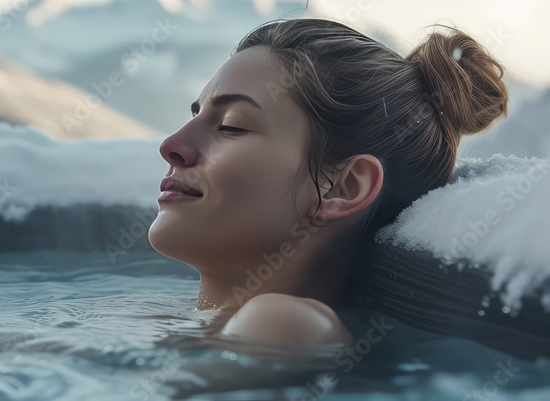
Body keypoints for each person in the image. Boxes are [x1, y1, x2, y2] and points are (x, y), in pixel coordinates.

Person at [148, 18, 509, 346]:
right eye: (194, 115)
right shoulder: (219, 323)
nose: (171, 146)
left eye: (231, 126)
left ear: (343, 188)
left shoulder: (281, 323)